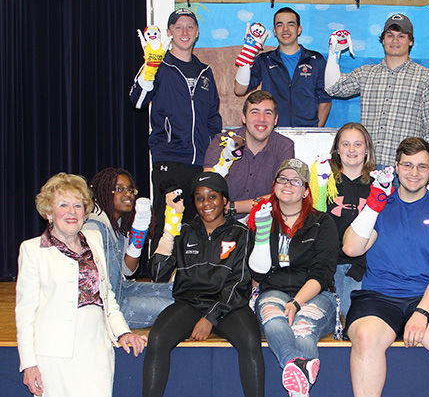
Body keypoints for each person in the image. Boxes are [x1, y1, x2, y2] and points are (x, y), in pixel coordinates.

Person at [343, 137, 429, 397]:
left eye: (422, 167)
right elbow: (351, 249)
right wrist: (374, 205)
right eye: (408, 165)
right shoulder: (380, 206)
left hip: (427, 297)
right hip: (379, 296)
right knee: (365, 336)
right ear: (397, 167)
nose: (414, 172)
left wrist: (422, 312)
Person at [16, 173, 146, 397]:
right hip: (52, 357)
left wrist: (123, 332)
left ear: (85, 212)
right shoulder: (31, 250)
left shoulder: (94, 240)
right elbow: (25, 313)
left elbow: (106, 296)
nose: (71, 211)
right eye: (63, 205)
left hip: (96, 352)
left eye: (77, 205)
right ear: (48, 212)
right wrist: (28, 364)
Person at [143, 171, 264, 397]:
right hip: (189, 303)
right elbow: (158, 274)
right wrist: (170, 229)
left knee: (250, 340)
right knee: (157, 339)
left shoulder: (242, 234)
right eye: (199, 198)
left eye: (212, 196)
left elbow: (239, 284)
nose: (206, 203)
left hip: (228, 306)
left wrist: (210, 318)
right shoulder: (184, 231)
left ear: (225, 200)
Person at [130, 8, 222, 253]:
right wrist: (150, 66)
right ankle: (160, 284)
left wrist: (213, 156)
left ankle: (192, 283)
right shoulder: (158, 64)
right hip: (169, 161)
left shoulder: (205, 72)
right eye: (178, 26)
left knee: (197, 228)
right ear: (169, 32)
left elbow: (214, 118)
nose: (184, 31)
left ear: (197, 33)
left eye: (190, 26)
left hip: (200, 164)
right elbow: (137, 101)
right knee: (167, 228)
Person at [248, 158, 338, 397]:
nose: (288, 185)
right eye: (283, 179)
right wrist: (262, 232)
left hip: (316, 293)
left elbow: (322, 272)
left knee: (302, 325)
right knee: (271, 314)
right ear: (275, 184)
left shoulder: (322, 222)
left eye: (296, 181)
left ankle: (294, 368)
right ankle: (297, 365)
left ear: (306, 189)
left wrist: (296, 303)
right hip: (273, 290)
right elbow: (257, 273)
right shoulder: (263, 220)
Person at [325, 13, 429, 166]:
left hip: (404, 170)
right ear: (383, 39)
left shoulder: (426, 77)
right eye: (390, 35)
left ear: (411, 41)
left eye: (401, 36)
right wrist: (334, 53)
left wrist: (425, 166)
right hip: (367, 168)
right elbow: (333, 88)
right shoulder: (366, 73)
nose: (395, 41)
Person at [84, 168, 174, 328]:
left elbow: (128, 271)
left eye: (131, 190)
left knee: (176, 290)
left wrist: (140, 229)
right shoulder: (93, 228)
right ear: (102, 192)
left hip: (121, 289)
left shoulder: (117, 224)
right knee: (176, 308)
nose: (128, 194)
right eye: (119, 189)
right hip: (108, 307)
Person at [234, 7, 332, 127]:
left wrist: (315, 131)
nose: (285, 29)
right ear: (274, 31)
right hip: (273, 132)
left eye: (291, 24)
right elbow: (239, 90)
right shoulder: (264, 60)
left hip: (306, 133)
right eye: (280, 25)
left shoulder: (316, 60)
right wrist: (248, 54)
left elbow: (325, 100)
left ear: (299, 29)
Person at [203, 90, 294, 216]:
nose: (261, 119)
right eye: (255, 112)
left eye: (268, 113)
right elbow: (207, 189)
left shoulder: (284, 146)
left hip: (263, 221)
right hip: (222, 221)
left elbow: (282, 195)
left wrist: (232, 207)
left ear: (275, 119)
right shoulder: (222, 141)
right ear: (244, 118)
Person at [326, 122, 376, 317]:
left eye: (358, 144)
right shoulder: (324, 183)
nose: (352, 149)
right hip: (332, 265)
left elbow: (382, 233)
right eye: (345, 144)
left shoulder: (379, 187)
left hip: (366, 266)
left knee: (358, 317)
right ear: (337, 150)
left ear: (367, 149)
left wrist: (361, 267)